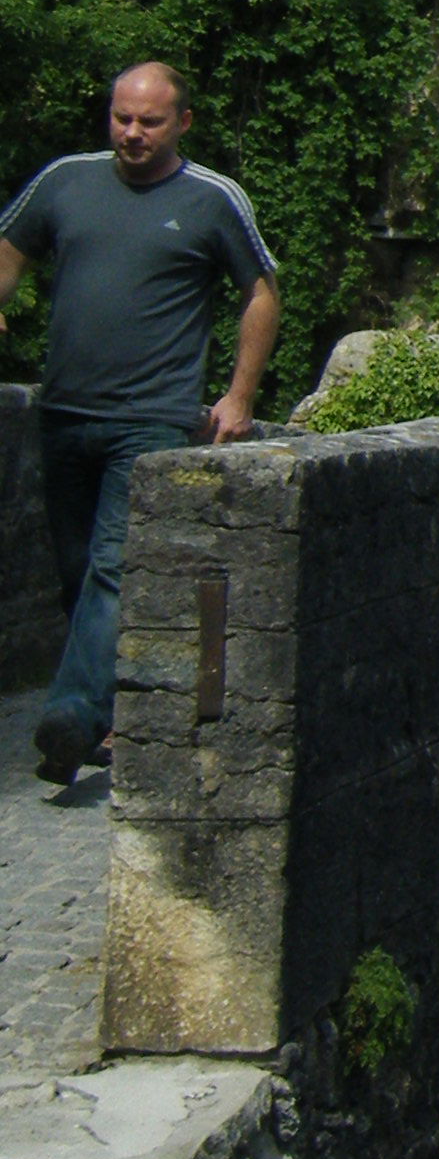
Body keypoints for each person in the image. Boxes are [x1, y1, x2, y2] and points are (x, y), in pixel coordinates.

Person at [0, 64, 279, 785]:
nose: (131, 132)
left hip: (150, 416)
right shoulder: (66, 180)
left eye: (148, 121)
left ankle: (71, 715)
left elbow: (260, 292)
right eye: (122, 117)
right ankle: (103, 716)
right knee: (74, 571)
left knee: (113, 565)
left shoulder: (213, 199)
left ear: (182, 122)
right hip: (64, 410)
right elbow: (10, 247)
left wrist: (239, 396)